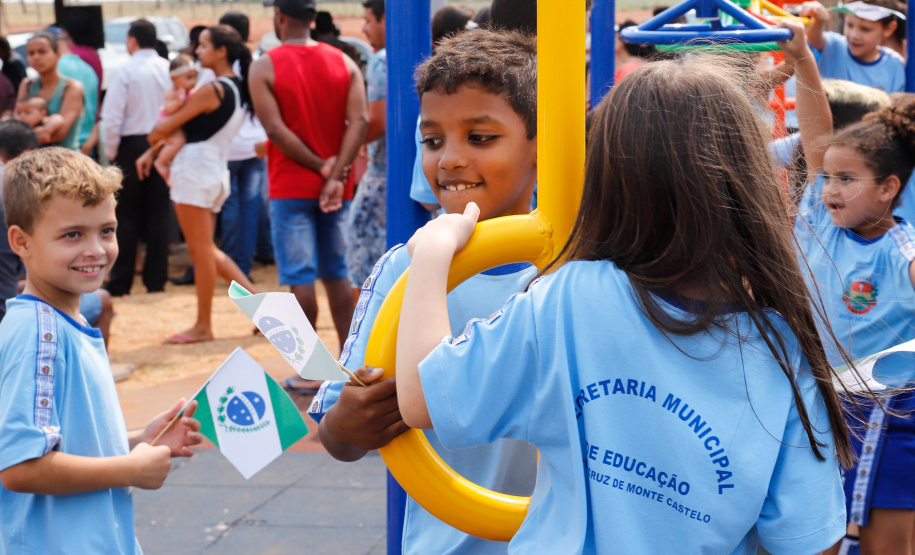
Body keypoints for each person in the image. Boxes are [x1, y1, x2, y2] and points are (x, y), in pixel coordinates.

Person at [393, 40, 857, 555]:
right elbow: (812, 541)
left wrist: (433, 255)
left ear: (607, 177)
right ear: (749, 182)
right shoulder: (780, 345)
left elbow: (422, 397)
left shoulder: (575, 298)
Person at [311, 29, 539, 553]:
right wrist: (352, 420)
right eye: (433, 141)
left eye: (480, 138)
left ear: (540, 145)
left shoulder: (582, 264)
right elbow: (336, 437)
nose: (449, 159)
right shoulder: (404, 269)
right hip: (449, 540)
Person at [0, 147, 202, 553]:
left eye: (106, 230)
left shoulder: (62, 324)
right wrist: (130, 469)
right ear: (22, 242)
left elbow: (60, 442)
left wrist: (137, 440)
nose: (95, 248)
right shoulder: (41, 334)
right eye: (72, 234)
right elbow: (21, 466)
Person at [791, 21, 915, 554]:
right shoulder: (820, 214)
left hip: (885, 413)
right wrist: (802, 57)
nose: (829, 188)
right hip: (814, 402)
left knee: (883, 542)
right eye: (827, 176)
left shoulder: (900, 252)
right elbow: (817, 131)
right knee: (809, 536)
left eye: (846, 179)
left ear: (889, 188)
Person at [250, 0, 366, 386]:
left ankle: (310, 370)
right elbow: (360, 120)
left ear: (279, 16)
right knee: (337, 273)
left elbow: (275, 130)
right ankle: (350, 362)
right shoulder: (345, 62)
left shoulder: (264, 65)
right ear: (314, 18)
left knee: (299, 276)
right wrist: (337, 171)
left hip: (290, 184)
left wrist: (319, 166)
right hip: (337, 186)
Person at [135, 25, 255, 344]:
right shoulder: (238, 87)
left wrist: (156, 136)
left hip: (195, 170)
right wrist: (154, 147)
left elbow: (164, 128)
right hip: (212, 168)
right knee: (207, 250)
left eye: (203, 46)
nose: (197, 51)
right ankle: (261, 309)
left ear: (221, 51)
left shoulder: (212, 89)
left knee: (201, 252)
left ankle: (203, 325)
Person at [100, 19, 171, 297]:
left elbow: (112, 116)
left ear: (132, 41)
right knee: (159, 212)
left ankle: (121, 282)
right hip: (163, 143)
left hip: (132, 144)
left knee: (126, 214)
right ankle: (156, 281)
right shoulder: (168, 68)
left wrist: (112, 151)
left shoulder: (125, 69)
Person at [218, 11, 270, 280]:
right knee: (249, 208)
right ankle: (243, 267)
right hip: (255, 146)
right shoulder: (259, 62)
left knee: (230, 208)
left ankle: (228, 267)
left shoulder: (221, 65)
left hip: (229, 147)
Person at [345, 0, 388, 301]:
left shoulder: (382, 60)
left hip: (381, 180)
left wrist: (351, 146)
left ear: (387, 20)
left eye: (369, 20)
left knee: (366, 278)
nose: (364, 28)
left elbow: (378, 120)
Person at [801, 0, 906, 92]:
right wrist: (819, 22)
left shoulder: (895, 65)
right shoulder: (834, 47)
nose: (854, 35)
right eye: (850, 25)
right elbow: (815, 40)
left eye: (865, 29)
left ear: (889, 29)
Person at [17, 32, 84, 150]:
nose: (36, 57)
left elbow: (59, 133)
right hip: (33, 157)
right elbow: (16, 123)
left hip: (65, 158)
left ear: (58, 55)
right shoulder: (27, 85)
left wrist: (18, 137)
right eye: (31, 53)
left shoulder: (72, 88)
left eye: (42, 52)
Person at [46, 26, 98, 153]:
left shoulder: (54, 69)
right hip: (86, 145)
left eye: (41, 51)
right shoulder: (88, 69)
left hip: (63, 149)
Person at [150, 54, 199, 184]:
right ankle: (161, 162)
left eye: (195, 77)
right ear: (174, 78)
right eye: (189, 78)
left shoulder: (191, 92)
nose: (193, 81)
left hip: (178, 126)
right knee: (178, 141)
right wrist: (178, 102)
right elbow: (168, 109)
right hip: (168, 124)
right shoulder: (172, 92)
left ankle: (167, 162)